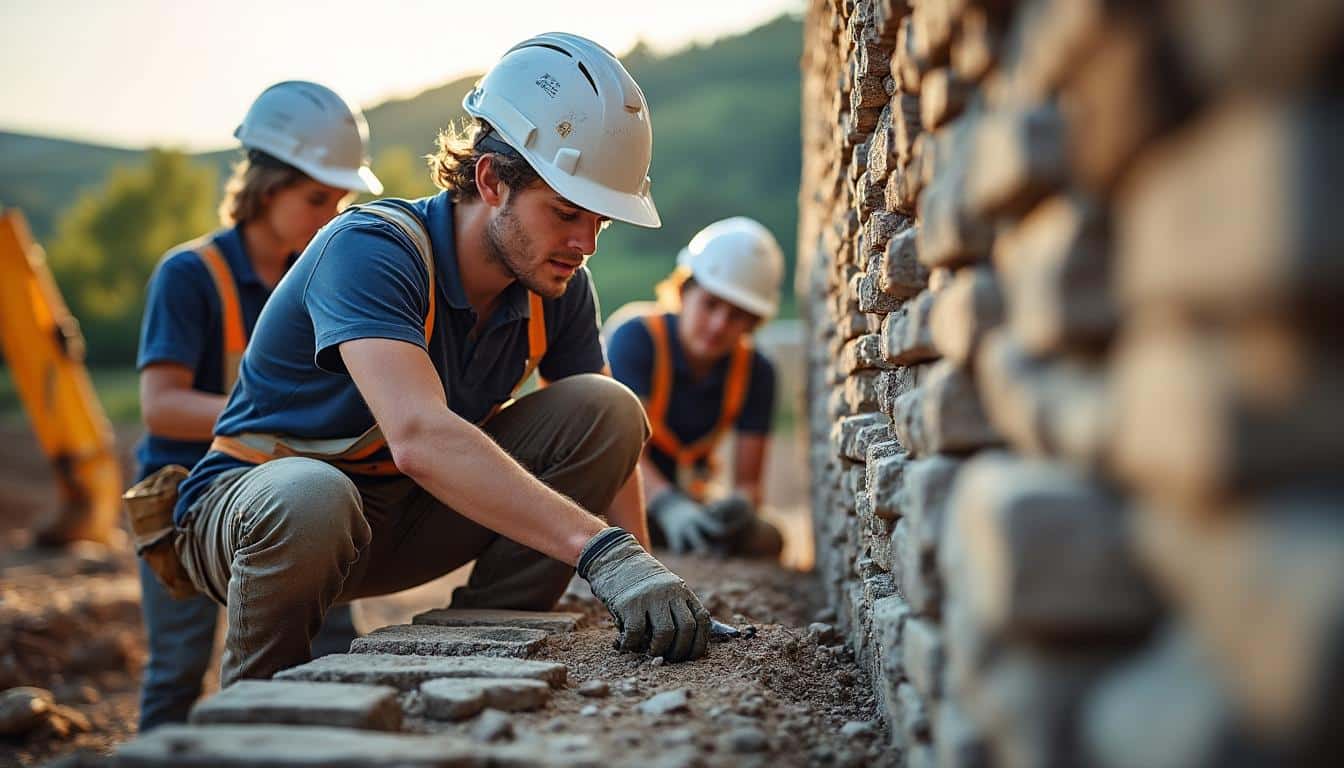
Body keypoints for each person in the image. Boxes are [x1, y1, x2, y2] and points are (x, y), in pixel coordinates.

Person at [168, 33, 712, 687]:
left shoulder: (555, 281)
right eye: (567, 212)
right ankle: (252, 714)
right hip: (257, 518)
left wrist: (644, 577)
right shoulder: (373, 248)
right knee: (313, 496)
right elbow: (418, 437)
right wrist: (604, 554)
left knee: (610, 410)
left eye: (601, 222)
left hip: (395, 522)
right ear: (490, 179)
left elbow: (611, 446)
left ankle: (479, 655)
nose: (584, 243)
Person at [133, 81, 380, 729]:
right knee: (179, 667)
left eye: (343, 199)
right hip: (188, 497)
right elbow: (161, 408)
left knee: (329, 648)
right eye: (317, 198)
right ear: (267, 189)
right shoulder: (189, 275)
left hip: (289, 497)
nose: (333, 215)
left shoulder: (329, 278)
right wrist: (276, 418)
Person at [606, 217, 785, 558]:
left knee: (767, 538)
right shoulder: (636, 338)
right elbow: (622, 453)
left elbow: (749, 484)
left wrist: (739, 509)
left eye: (737, 316)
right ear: (684, 292)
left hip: (690, 501)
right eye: (711, 304)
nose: (719, 325)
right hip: (618, 492)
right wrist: (669, 505)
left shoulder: (756, 372)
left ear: (753, 322)